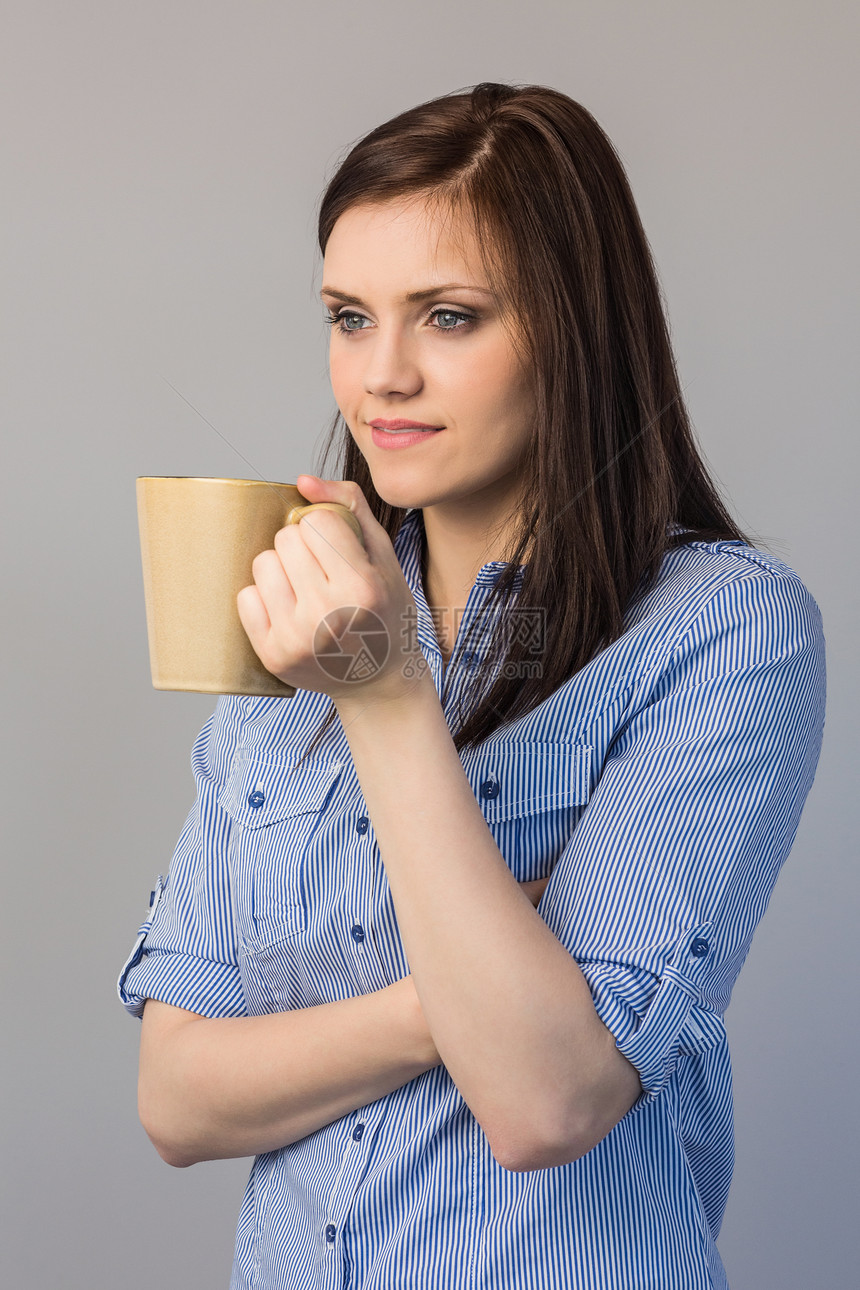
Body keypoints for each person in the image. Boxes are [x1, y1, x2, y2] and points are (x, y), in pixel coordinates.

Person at [118, 82, 826, 1289]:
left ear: (572, 326)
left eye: (447, 317)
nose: (379, 375)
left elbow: (547, 1100)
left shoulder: (723, 632)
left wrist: (385, 694)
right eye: (349, 316)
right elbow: (178, 1100)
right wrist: (435, 1004)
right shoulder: (288, 606)